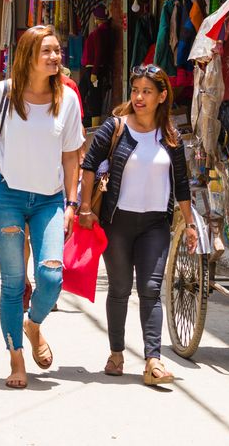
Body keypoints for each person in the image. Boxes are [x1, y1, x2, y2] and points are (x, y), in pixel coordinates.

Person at [0, 25, 84, 390]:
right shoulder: (5, 93)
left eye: (58, 51)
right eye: (48, 51)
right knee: (12, 285)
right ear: (29, 55)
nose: (56, 57)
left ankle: (34, 325)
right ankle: (16, 359)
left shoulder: (68, 99)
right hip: (6, 196)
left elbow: (72, 156)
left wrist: (72, 202)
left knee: (51, 277)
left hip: (50, 201)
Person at [79, 65, 196, 386]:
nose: (139, 97)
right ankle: (116, 353)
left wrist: (189, 223)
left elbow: (182, 184)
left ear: (162, 96)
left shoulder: (171, 137)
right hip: (117, 223)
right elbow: (88, 165)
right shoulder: (115, 127)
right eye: (135, 91)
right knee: (119, 289)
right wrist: (85, 207)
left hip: (155, 225)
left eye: (147, 92)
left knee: (151, 289)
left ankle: (153, 360)